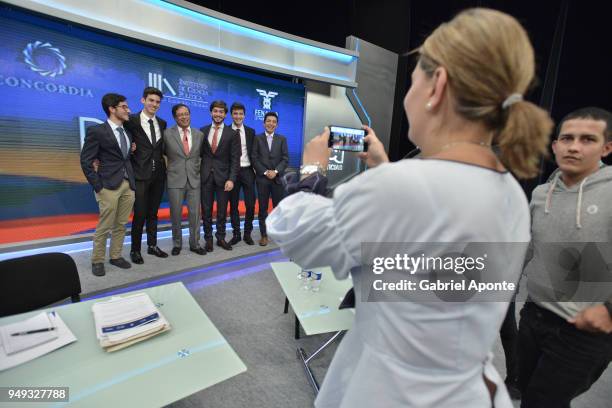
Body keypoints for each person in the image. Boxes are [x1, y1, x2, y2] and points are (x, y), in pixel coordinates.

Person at [266, 8, 553, 407]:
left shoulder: (401, 189)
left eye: (415, 79)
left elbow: (295, 233)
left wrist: (312, 168)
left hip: (391, 392)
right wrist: (385, 169)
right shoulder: (511, 195)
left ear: (437, 87)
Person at [518, 107, 612, 408]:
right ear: (555, 145)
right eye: (567, 138)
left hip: (582, 329)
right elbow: (527, 247)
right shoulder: (541, 194)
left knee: (541, 402)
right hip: (533, 316)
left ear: (607, 147)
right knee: (531, 395)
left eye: (587, 139)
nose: (574, 146)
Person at [80, 93, 137, 277]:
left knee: (121, 224)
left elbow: (124, 158)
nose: (128, 110)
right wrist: (98, 186)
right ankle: (97, 260)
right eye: (124, 107)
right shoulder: (97, 131)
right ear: (112, 109)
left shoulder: (127, 132)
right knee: (105, 225)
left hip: (128, 184)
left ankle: (115, 256)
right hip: (107, 186)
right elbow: (86, 161)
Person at [124, 87, 168, 264]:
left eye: (157, 102)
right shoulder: (131, 120)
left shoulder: (163, 123)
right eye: (151, 100)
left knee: (153, 213)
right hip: (139, 174)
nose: (154, 104)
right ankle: (135, 250)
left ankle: (152, 245)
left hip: (159, 175)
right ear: (143, 101)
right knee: (140, 214)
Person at [163, 104, 206, 256]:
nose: (184, 116)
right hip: (175, 179)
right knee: (176, 214)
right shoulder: (167, 134)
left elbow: (201, 156)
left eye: (186, 113)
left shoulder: (199, 134)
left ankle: (195, 244)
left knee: (195, 214)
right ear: (175, 117)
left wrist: (197, 169)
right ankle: (177, 244)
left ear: (190, 115)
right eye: (180, 114)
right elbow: (162, 154)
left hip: (194, 179)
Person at [200, 100, 240, 251]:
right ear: (211, 112)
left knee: (222, 211)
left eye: (221, 112)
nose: (218, 114)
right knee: (206, 210)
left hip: (224, 178)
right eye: (215, 111)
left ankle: (220, 238)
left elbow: (235, 159)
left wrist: (231, 179)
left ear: (225, 114)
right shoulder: (202, 131)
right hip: (205, 177)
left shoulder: (232, 134)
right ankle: (208, 239)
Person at [251, 111, 288, 246]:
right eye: (268, 121)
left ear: (276, 125)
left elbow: (285, 159)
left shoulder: (282, 139)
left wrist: (276, 171)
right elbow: (254, 158)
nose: (271, 124)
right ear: (264, 123)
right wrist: (266, 172)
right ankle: (264, 235)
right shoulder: (257, 138)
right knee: (262, 209)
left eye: (273, 122)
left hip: (277, 180)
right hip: (263, 179)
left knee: (278, 208)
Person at [228, 102, 257, 246]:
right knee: (233, 205)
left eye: (240, 114)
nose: (238, 116)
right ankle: (236, 234)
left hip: (247, 171)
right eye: (235, 113)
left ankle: (247, 233)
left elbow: (254, 153)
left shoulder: (251, 132)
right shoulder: (226, 131)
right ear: (231, 115)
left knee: (250, 205)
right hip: (232, 173)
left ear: (244, 115)